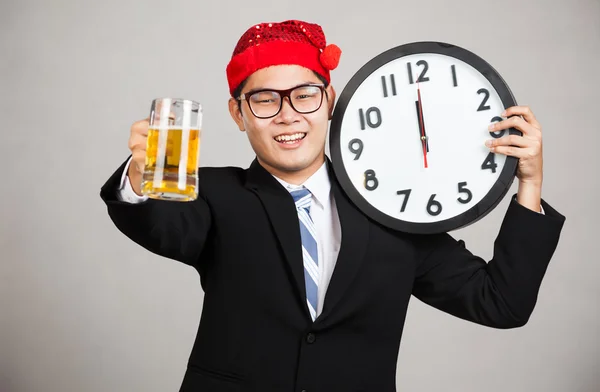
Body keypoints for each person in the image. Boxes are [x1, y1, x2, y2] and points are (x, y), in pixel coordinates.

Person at [100, 20, 565, 392]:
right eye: (264, 100)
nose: (288, 115)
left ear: (330, 102)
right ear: (238, 114)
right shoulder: (217, 195)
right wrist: (142, 177)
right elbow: (159, 223)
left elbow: (501, 303)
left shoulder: (392, 209)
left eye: (304, 95)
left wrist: (529, 182)